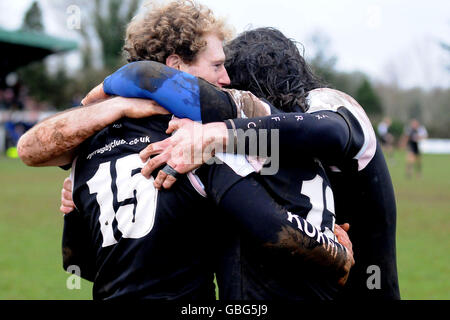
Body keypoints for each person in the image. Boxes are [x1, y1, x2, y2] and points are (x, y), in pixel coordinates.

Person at [18, 2, 352, 300]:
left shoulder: (87, 149)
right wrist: (335, 251)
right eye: (217, 66)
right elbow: (275, 228)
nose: (226, 78)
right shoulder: (192, 142)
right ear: (176, 66)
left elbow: (79, 262)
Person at [96, 27, 399, 300]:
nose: (226, 82)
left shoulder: (325, 103)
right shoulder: (262, 146)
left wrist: (215, 134)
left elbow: (329, 131)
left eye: (232, 77)